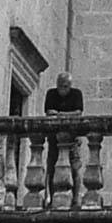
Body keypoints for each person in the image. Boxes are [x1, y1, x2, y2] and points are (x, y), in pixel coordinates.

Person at [44, 70, 84, 200]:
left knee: (75, 168)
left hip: (73, 137)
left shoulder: (76, 94)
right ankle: (50, 198)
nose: (62, 89)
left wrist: (60, 114)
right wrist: (67, 114)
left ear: (70, 85)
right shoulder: (51, 94)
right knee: (51, 167)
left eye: (65, 86)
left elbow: (78, 112)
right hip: (54, 138)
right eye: (60, 85)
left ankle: (76, 199)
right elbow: (49, 112)